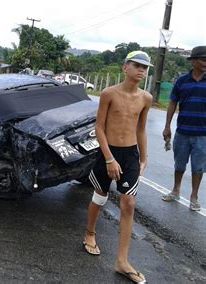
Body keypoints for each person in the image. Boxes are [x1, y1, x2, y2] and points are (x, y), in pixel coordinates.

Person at [83, 51, 152, 284]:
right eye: (137, 65)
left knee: (129, 202)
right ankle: (90, 233)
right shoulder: (108, 93)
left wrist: (144, 157)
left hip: (130, 154)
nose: (141, 70)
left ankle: (122, 262)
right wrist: (110, 159)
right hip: (107, 152)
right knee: (100, 195)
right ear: (125, 67)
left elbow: (141, 129)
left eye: (145, 67)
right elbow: (99, 127)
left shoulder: (146, 98)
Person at [162, 45, 206, 211]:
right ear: (193, 61)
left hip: (203, 134)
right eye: (203, 59)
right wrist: (167, 126)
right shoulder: (182, 80)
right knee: (179, 164)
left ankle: (194, 197)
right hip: (182, 132)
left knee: (198, 167)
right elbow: (173, 102)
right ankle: (175, 190)